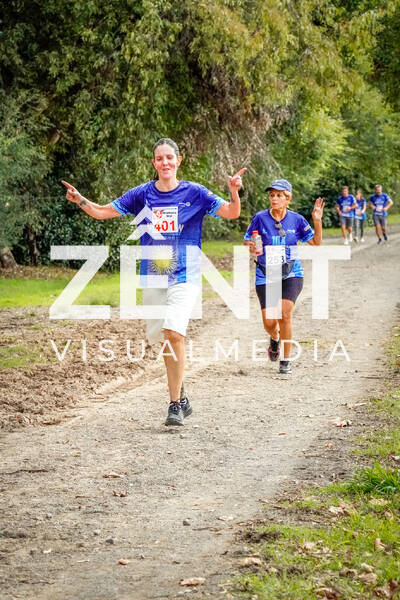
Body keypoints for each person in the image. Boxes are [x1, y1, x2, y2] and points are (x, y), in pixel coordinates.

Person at [62, 138, 246, 426]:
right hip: (153, 277)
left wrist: (234, 192)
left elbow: (232, 213)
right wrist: (81, 200)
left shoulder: (195, 193)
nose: (165, 162)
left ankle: (174, 405)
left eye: (169, 157)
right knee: (162, 340)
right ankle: (181, 394)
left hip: (185, 274)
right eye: (160, 158)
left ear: (179, 160)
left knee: (174, 333)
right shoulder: (142, 194)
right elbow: (102, 212)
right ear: (154, 163)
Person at [244, 179, 324, 374]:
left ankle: (286, 359)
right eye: (272, 195)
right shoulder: (260, 218)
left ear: (288, 198)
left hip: (291, 273)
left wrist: (317, 220)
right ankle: (275, 338)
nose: (274, 199)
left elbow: (316, 243)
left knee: (285, 313)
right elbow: (248, 240)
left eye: (279, 195)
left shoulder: (297, 220)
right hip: (266, 274)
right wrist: (251, 246)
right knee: (270, 322)